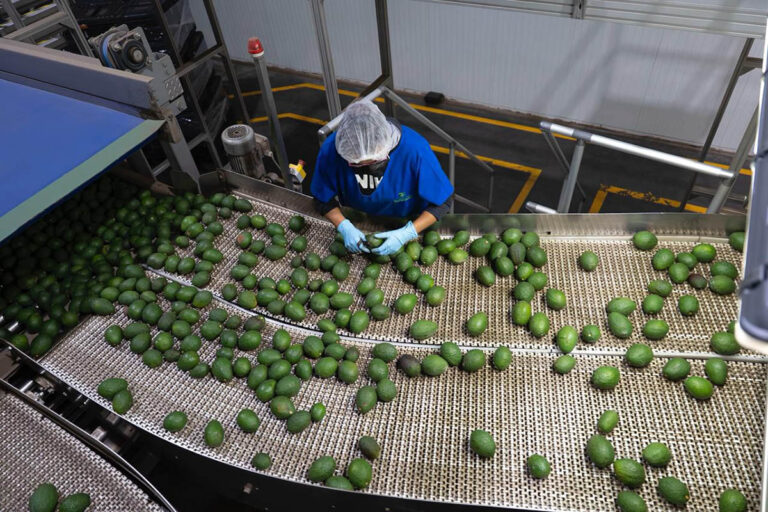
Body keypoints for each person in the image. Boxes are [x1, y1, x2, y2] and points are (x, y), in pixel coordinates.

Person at [310, 99, 454, 255]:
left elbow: (443, 202)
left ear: (385, 148)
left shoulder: (415, 150)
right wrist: (344, 226)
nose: (365, 167)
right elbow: (321, 198)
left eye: (373, 161)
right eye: (355, 164)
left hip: (407, 220)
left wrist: (407, 233)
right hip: (359, 223)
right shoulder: (332, 150)